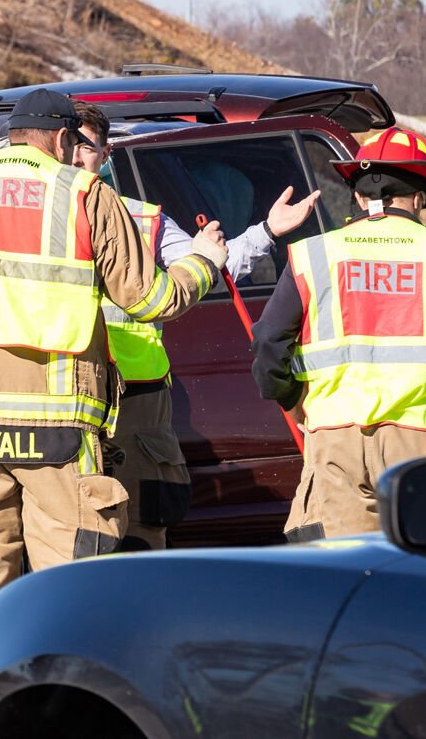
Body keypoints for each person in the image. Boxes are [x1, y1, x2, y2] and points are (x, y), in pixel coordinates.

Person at [0, 88, 229, 657]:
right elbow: (151, 300)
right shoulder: (85, 194)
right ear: (66, 140)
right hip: (58, 429)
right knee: (64, 577)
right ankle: (57, 700)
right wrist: (204, 263)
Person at [251, 128, 426, 541]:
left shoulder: (316, 253)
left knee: (340, 573)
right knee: (422, 570)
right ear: (420, 198)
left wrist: (294, 402)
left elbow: (267, 345)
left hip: (335, 444)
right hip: (418, 444)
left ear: (361, 198)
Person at [71, 101, 321, 549]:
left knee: (139, 527)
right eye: (67, 141)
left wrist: (266, 231)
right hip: (60, 396)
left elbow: (209, 266)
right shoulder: (30, 216)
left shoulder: (143, 220)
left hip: (134, 399)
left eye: (85, 145)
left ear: (105, 155)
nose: (73, 154)